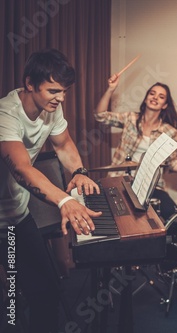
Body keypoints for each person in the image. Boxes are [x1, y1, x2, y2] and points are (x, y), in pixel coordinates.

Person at [0, 48, 102, 333]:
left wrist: (79, 172)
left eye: (65, 91)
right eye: (54, 90)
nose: (61, 97)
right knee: (9, 301)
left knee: (45, 292)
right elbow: (20, 168)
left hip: (15, 216)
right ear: (30, 83)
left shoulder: (51, 108)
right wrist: (64, 201)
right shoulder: (5, 114)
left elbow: (64, 144)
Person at [95, 78, 177, 220]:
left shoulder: (170, 132)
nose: (155, 97)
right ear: (146, 97)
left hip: (151, 187)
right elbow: (100, 115)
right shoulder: (130, 118)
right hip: (120, 180)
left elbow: (172, 162)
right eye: (152, 93)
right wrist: (111, 89)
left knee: (173, 217)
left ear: (165, 105)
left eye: (161, 96)